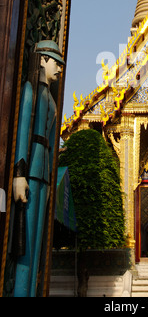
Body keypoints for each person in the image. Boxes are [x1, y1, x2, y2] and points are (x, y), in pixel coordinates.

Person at [12, 40, 64, 297]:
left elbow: (54, 145)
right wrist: (18, 175)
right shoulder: (30, 91)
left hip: (44, 175)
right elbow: (23, 133)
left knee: (38, 242)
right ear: (42, 60)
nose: (59, 69)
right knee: (25, 242)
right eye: (56, 62)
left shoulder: (53, 103)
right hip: (30, 171)